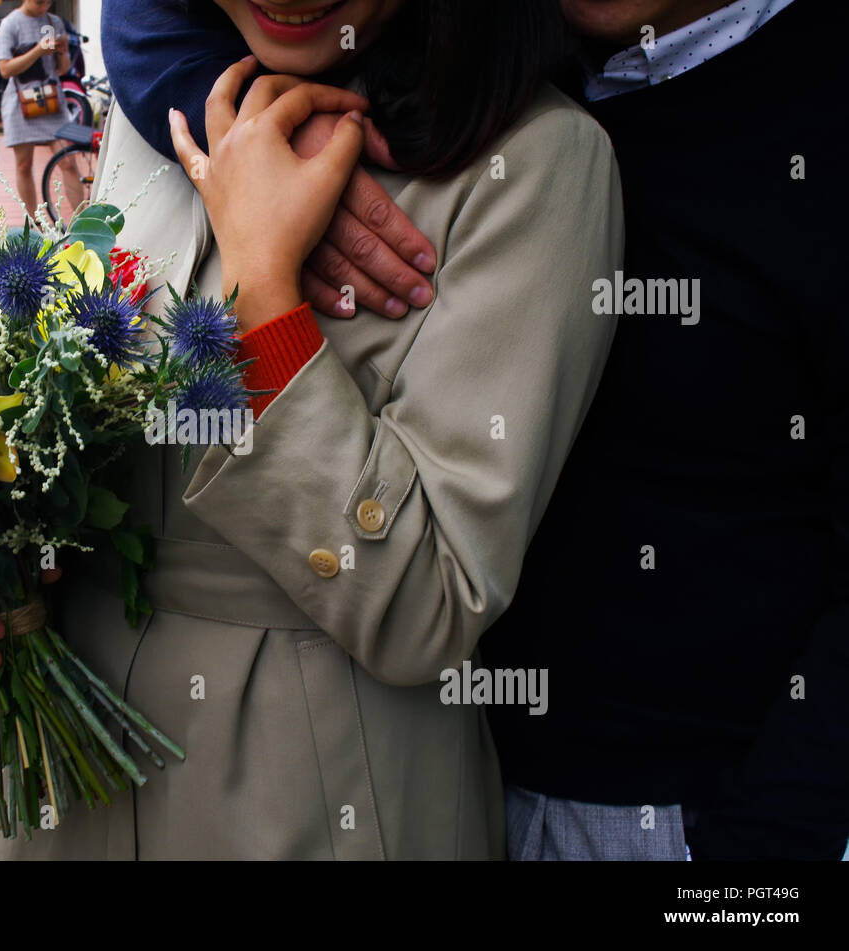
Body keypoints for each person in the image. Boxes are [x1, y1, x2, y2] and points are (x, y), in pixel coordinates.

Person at [107, 0, 849, 861]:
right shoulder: (468, 50)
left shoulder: (572, 137)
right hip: (436, 764)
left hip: (666, 809)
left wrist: (756, 866)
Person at [0, 0, 623, 859]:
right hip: (77, 777)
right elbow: (96, 432)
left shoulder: (538, 161)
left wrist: (266, 296)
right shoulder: (168, 107)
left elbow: (430, 602)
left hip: (324, 787)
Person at [0, 0, 84, 220]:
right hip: (20, 103)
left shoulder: (54, 22)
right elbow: (5, 69)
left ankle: (84, 220)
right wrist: (38, 50)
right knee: (24, 165)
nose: (44, 5)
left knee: (68, 161)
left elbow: (62, 70)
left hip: (52, 102)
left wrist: (62, 51)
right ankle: (35, 224)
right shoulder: (10, 24)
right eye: (39, 1)